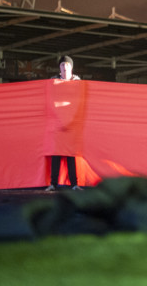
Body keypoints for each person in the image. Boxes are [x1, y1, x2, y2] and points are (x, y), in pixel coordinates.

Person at [45, 55, 83, 191]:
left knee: (70, 154)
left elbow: (80, 103)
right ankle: (53, 184)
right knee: (56, 154)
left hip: (73, 124)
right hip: (57, 124)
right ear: (59, 68)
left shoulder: (79, 84)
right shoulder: (53, 83)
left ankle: (74, 184)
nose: (64, 67)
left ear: (71, 68)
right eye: (62, 65)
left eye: (67, 65)